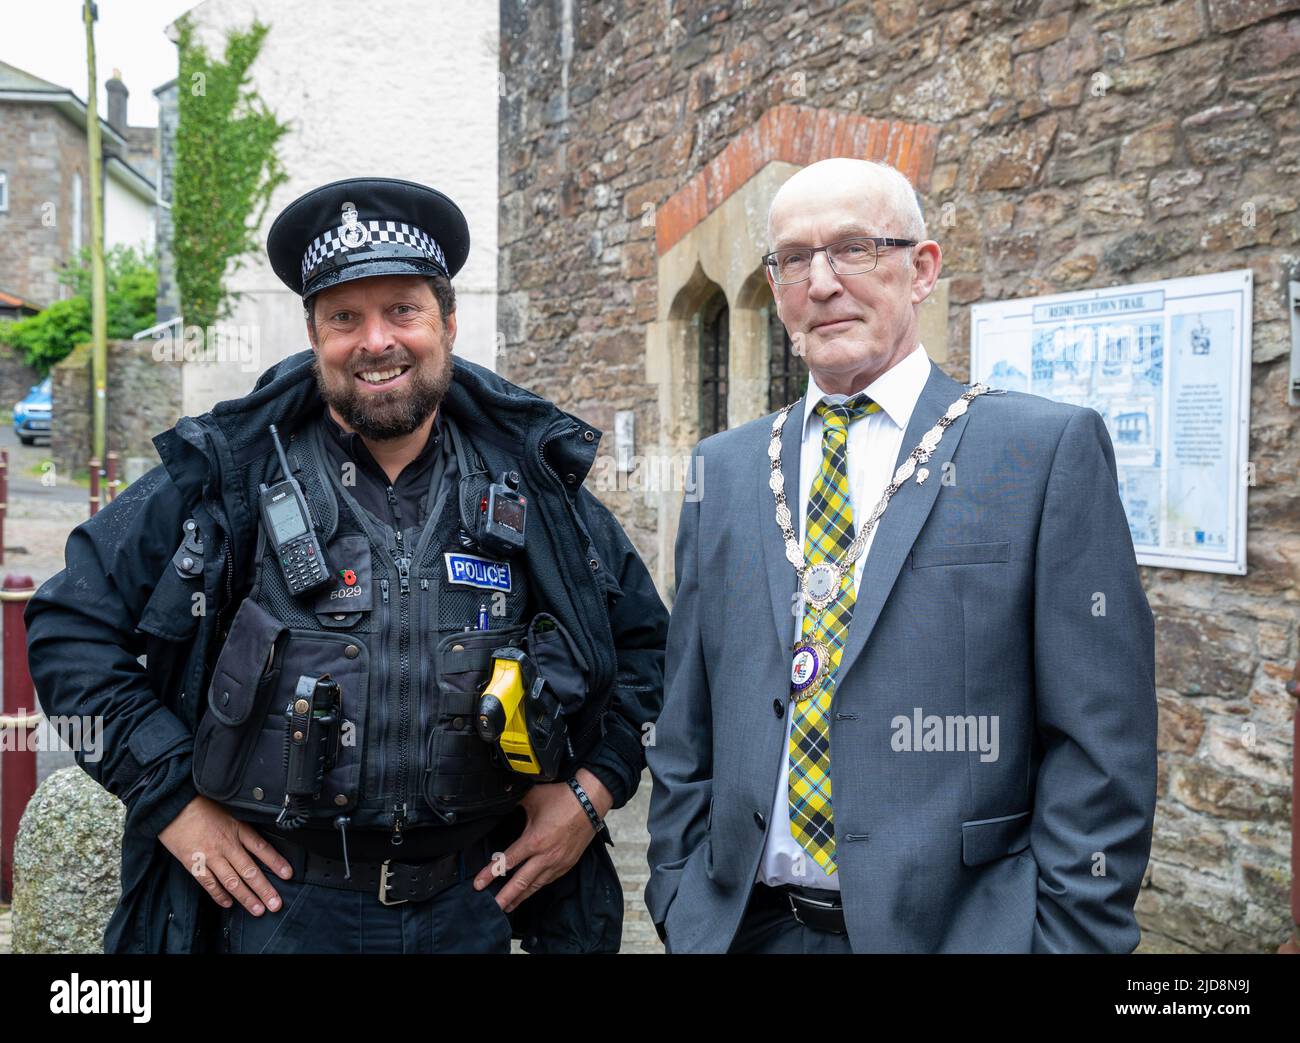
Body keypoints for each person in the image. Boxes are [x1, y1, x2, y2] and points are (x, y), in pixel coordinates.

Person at [26, 176, 667, 954]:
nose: (376, 341)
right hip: (278, 914)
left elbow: (646, 645)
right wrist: (171, 800)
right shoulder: (225, 475)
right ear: (313, 333)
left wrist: (593, 792)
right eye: (345, 318)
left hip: (476, 907)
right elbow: (68, 626)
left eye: (403, 309)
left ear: (448, 322)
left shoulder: (532, 483)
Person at [644, 158, 1157, 953]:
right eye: (792, 260)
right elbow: (687, 718)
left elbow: (1102, 745)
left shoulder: (1038, 451)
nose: (821, 283)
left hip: (955, 935)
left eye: (854, 248)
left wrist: (1070, 941)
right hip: (745, 930)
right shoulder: (726, 465)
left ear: (922, 270)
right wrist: (678, 893)